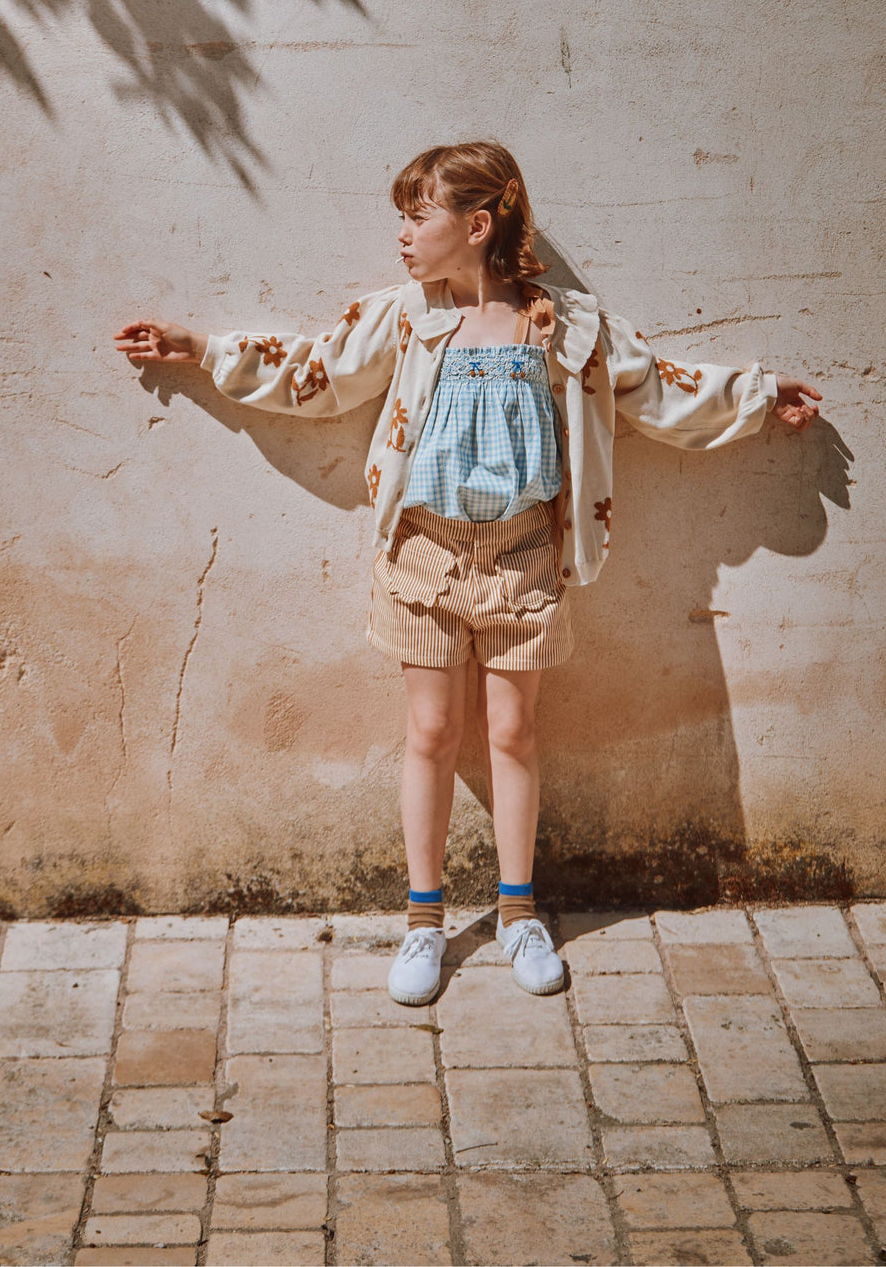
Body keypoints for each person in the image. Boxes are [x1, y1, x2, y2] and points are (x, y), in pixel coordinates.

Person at [114, 141, 821, 1007]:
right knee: (432, 733)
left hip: (525, 558)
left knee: (513, 733)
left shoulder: (564, 325)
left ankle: (519, 913)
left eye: (419, 218)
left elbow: (658, 389)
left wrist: (758, 396)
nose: (403, 236)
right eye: (403, 219)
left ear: (477, 225)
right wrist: (200, 347)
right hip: (425, 555)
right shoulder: (406, 318)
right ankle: (424, 921)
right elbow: (315, 370)